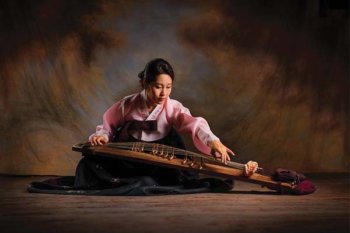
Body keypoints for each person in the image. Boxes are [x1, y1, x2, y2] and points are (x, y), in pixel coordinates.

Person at [27, 58, 257, 196]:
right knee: (88, 166)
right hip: (129, 156)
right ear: (145, 83)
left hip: (161, 156)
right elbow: (107, 125)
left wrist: (212, 141)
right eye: (158, 87)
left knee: (181, 176)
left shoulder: (172, 106)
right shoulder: (127, 105)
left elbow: (194, 124)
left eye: (168, 87)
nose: (164, 93)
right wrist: (102, 138)